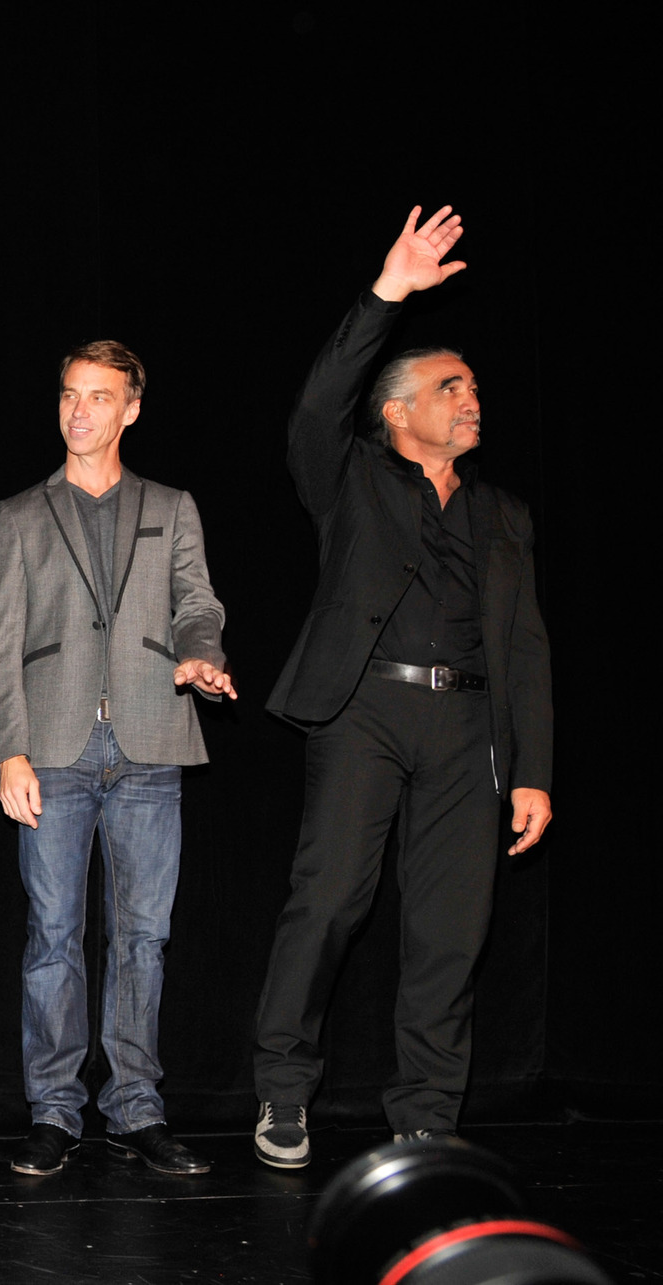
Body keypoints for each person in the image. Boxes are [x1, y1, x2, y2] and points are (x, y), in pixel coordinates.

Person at [251, 207, 553, 1168]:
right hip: (366, 710)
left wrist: (533, 770)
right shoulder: (348, 477)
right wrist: (388, 291)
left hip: (470, 726)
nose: (470, 400)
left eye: (474, 388)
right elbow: (315, 406)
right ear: (395, 412)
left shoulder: (504, 513)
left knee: (451, 926)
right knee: (330, 901)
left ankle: (426, 1110)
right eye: (448, 387)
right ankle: (284, 1091)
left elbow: (528, 646)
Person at [0, 340, 233, 1177]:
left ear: (131, 409)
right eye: (69, 394)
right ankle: (55, 1110)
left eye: (98, 396)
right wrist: (9, 751)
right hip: (52, 749)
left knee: (143, 937)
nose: (79, 409)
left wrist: (201, 652)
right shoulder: (21, 513)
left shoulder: (172, 505)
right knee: (53, 936)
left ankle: (135, 1108)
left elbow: (197, 601)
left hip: (150, 741)